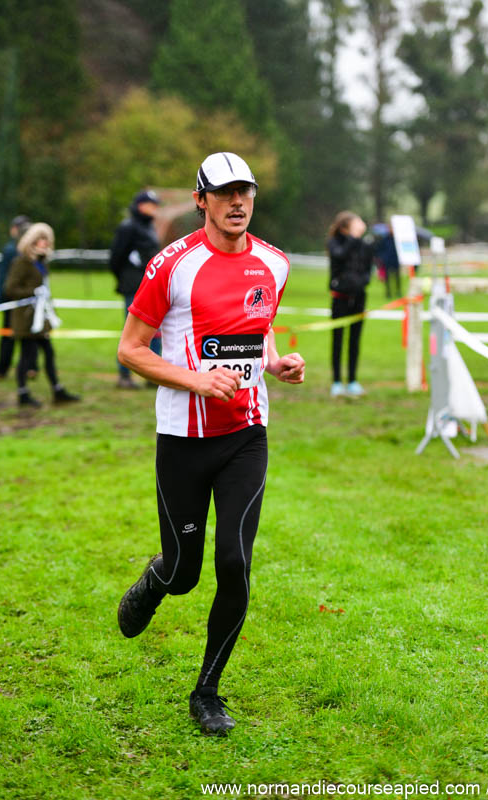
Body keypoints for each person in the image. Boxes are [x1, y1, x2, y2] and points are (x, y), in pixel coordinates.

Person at [116, 152, 305, 735]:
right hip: (183, 438)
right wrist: (196, 380)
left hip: (246, 435)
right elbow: (130, 349)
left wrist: (275, 362)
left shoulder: (274, 263)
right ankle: (156, 580)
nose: (237, 202)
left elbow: (258, 329)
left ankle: (207, 692)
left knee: (235, 563)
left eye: (245, 191)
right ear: (201, 200)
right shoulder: (171, 265)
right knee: (184, 572)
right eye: (224, 192)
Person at [4, 223, 80, 407]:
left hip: (40, 318)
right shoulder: (21, 262)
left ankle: (57, 390)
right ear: (32, 241)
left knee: (48, 352)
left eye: (47, 239)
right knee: (27, 355)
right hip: (26, 319)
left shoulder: (41, 262)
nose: (44, 243)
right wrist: (33, 292)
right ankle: (23, 393)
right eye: (41, 239)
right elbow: (10, 288)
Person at [109, 189, 162, 388]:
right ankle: (124, 376)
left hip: (152, 287)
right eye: (151, 204)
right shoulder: (128, 227)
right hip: (133, 288)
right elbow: (116, 258)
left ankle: (154, 375)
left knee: (156, 331)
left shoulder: (149, 227)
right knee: (131, 332)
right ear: (140, 205)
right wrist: (126, 279)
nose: (154, 208)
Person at [327, 211, 374, 397]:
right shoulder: (335, 242)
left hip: (359, 298)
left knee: (355, 340)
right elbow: (340, 256)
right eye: (357, 222)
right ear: (346, 226)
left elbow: (368, 268)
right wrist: (353, 238)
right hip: (340, 298)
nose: (362, 224)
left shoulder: (364, 244)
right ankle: (337, 381)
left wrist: (363, 282)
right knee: (338, 340)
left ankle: (353, 380)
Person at [0, 215, 32, 378]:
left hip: (21, 299)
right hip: (12, 300)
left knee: (23, 336)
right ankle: (4, 368)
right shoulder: (12, 249)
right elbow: (6, 280)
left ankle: (24, 368)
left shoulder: (18, 249)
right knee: (10, 334)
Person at [376, 229, 401, 299]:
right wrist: (382, 257)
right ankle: (388, 292)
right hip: (387, 260)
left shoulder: (397, 238)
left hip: (395, 260)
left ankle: (398, 291)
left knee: (397, 277)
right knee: (387, 277)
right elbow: (380, 249)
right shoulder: (385, 239)